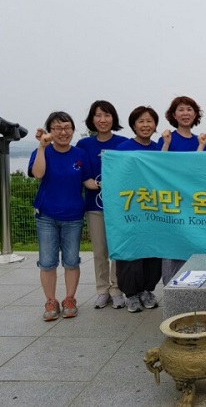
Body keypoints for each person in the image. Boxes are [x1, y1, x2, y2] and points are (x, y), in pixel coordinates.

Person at [29, 111, 97, 321]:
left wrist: (107, 183)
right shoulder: (42, 151)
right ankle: (50, 300)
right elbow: (38, 174)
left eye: (67, 127)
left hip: (73, 216)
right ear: (50, 131)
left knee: (71, 261)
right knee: (47, 262)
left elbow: (87, 181)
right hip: (47, 215)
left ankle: (69, 299)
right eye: (57, 128)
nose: (63, 132)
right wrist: (42, 146)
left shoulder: (79, 154)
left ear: (73, 130)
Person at [76, 101, 128, 309]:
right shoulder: (84, 145)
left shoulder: (123, 143)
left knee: (117, 250)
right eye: (98, 115)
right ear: (92, 119)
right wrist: (91, 182)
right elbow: (82, 173)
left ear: (113, 118)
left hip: (119, 206)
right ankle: (102, 290)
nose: (103, 120)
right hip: (94, 204)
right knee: (99, 250)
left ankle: (117, 289)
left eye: (107, 115)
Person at [115, 106, 162, 312]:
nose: (145, 125)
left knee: (152, 250)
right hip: (129, 208)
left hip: (153, 208)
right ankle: (131, 294)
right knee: (130, 251)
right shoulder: (122, 149)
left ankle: (147, 290)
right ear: (133, 124)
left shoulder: (159, 150)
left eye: (149, 121)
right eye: (141, 121)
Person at [157, 96, 203, 285]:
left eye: (189, 109)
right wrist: (166, 144)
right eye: (181, 110)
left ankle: (191, 284)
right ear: (173, 114)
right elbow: (158, 167)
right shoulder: (168, 138)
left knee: (191, 243)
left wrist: (201, 146)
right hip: (172, 201)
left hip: (193, 201)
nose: (185, 113)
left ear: (195, 114)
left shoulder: (200, 140)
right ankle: (170, 287)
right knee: (172, 245)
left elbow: (200, 169)